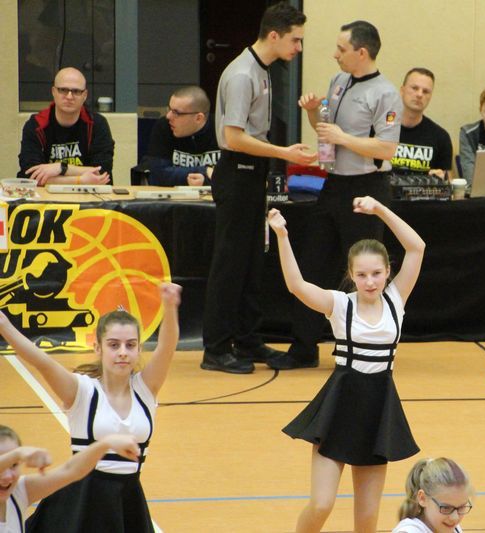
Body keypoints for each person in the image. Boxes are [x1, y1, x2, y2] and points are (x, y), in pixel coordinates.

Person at [268, 195, 424, 532]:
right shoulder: (340, 304)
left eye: (377, 273)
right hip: (339, 406)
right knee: (321, 504)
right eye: (362, 274)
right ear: (351, 275)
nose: (370, 281)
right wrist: (282, 235)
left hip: (378, 409)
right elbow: (296, 285)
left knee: (367, 518)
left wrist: (380, 210)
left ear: (388, 272)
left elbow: (417, 247)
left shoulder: (396, 299)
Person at [0, 282, 181, 533]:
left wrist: (170, 308)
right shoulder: (82, 391)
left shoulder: (145, 389)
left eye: (130, 345)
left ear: (139, 348)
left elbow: (167, 347)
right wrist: (4, 325)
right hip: (80, 505)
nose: (123, 352)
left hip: (127, 502)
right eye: (114, 345)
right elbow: (40, 360)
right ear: (98, 347)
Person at [274, 20, 403, 371]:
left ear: (362, 52)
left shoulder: (386, 93)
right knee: (313, 263)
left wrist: (343, 138)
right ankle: (303, 347)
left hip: (367, 188)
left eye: (341, 49)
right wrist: (312, 111)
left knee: (363, 269)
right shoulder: (339, 81)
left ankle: (362, 346)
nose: (335, 55)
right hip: (334, 185)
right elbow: (325, 132)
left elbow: (387, 148)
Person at [200, 2, 316, 374]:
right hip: (237, 171)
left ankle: (247, 339)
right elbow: (234, 138)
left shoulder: (262, 70)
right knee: (230, 264)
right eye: (295, 40)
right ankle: (216, 348)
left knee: (251, 262)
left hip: (253, 172)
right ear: (274, 35)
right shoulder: (241, 74)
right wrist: (284, 152)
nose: (298, 48)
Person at [0, 425, 140, 533]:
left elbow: (71, 470)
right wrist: (16, 455)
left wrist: (105, 444)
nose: (7, 476)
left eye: (14, 465)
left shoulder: (18, 493)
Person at [18, 67, 113, 186]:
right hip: (44, 196)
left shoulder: (97, 124)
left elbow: (103, 173)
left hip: (89, 196)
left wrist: (61, 168)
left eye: (76, 91)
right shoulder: (36, 124)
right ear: (53, 92)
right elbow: (30, 176)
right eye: (63, 90)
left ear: (85, 95)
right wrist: (80, 180)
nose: (69, 96)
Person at [141, 86, 220, 186]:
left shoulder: (222, 130)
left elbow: (232, 176)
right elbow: (155, 174)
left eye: (176, 113)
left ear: (198, 118)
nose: (168, 116)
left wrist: (206, 181)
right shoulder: (164, 127)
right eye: (169, 109)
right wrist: (203, 171)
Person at [391, 68, 453, 179]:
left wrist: (442, 178)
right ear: (402, 90)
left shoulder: (441, 137)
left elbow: (448, 179)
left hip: (424, 190)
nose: (419, 94)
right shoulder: (380, 127)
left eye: (426, 91)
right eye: (414, 88)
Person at [393, 457, 474, 533]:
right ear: (422, 498)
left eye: (461, 507)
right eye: (446, 508)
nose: (455, 518)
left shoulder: (453, 528)